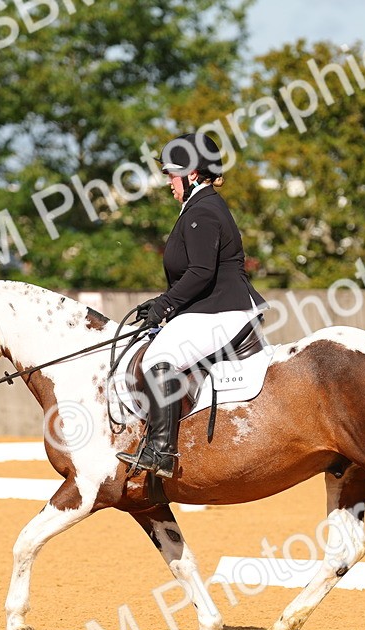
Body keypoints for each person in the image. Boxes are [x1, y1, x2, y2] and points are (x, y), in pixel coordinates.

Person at [116, 132, 266, 478]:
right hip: (212, 307)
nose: (168, 182)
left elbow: (200, 271)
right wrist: (163, 302)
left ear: (193, 173)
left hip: (223, 310)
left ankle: (162, 451)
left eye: (171, 174)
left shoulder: (204, 210)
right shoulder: (199, 208)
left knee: (158, 358)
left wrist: (165, 305)